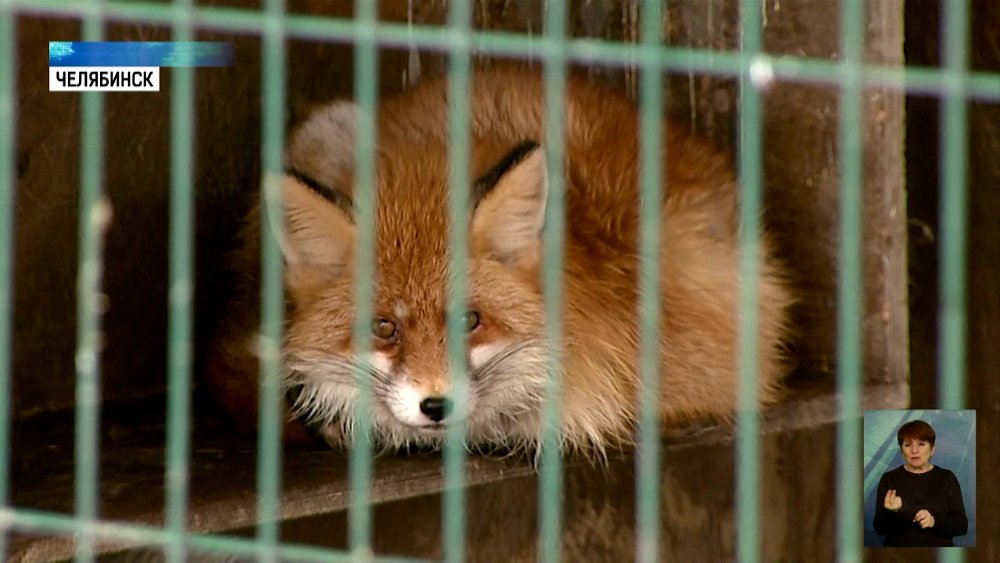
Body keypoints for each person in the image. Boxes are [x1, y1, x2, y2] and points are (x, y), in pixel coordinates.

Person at [872, 419, 969, 547]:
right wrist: (891, 512)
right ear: (901, 451)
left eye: (921, 444)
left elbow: (962, 526)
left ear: (932, 449)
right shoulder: (889, 479)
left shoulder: (947, 478)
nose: (914, 450)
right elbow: (879, 529)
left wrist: (934, 521)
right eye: (908, 445)